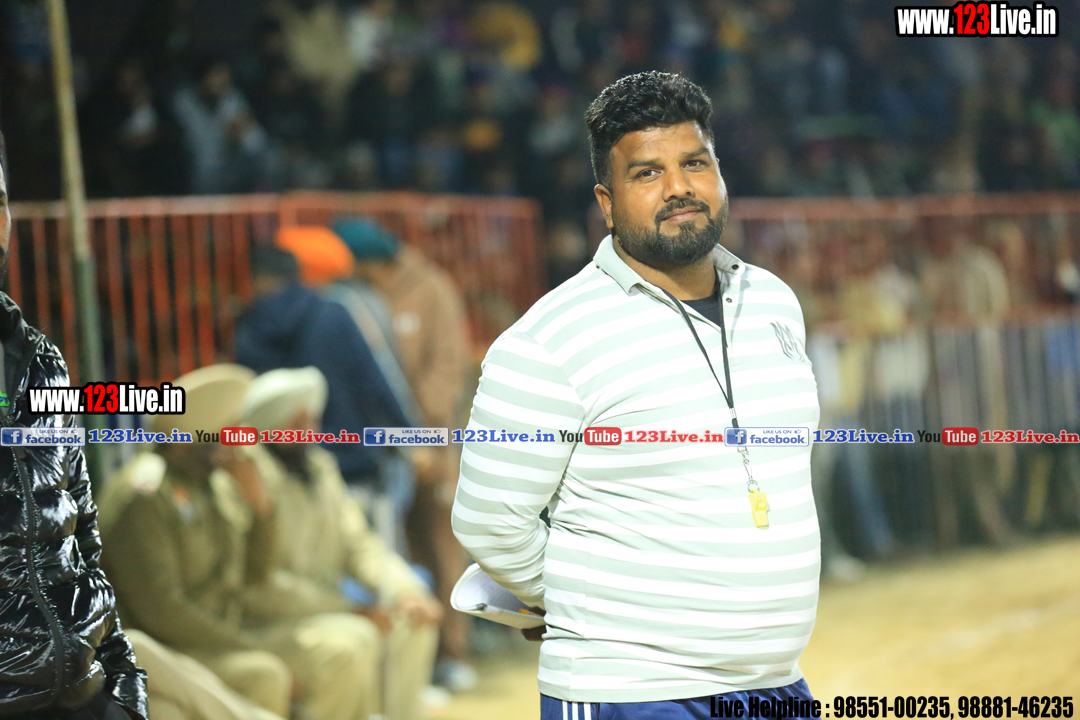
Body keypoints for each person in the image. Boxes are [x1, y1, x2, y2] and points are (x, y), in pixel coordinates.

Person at [451, 72, 819, 718]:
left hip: (775, 685)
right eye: (647, 173)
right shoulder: (550, 339)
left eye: (695, 164)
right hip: (633, 691)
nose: (679, 188)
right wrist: (582, 606)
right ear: (607, 202)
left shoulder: (772, 301)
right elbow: (489, 521)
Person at [0, 131, 148, 719]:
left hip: (79, 686)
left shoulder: (41, 359)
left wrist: (125, 685)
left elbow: (82, 539)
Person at [239, 367, 442, 720]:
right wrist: (347, 609)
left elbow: (360, 544)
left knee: (413, 623)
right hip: (270, 622)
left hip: (327, 614)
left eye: (310, 420)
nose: (310, 431)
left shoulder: (319, 468)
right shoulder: (245, 478)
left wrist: (406, 592)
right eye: (296, 422)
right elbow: (259, 586)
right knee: (352, 642)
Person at [96, 365, 292, 719]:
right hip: (167, 647)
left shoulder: (211, 486)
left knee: (270, 670)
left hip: (213, 636)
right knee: (264, 672)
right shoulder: (146, 495)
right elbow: (163, 611)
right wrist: (243, 643)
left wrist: (262, 510)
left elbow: (254, 576)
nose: (237, 448)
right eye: (225, 434)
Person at [335, 217, 476, 691]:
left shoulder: (430, 287)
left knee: (440, 546)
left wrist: (428, 437)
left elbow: (447, 365)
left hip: (432, 442)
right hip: (384, 448)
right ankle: (411, 661)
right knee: (398, 550)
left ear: (372, 262)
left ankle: (452, 652)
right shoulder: (356, 294)